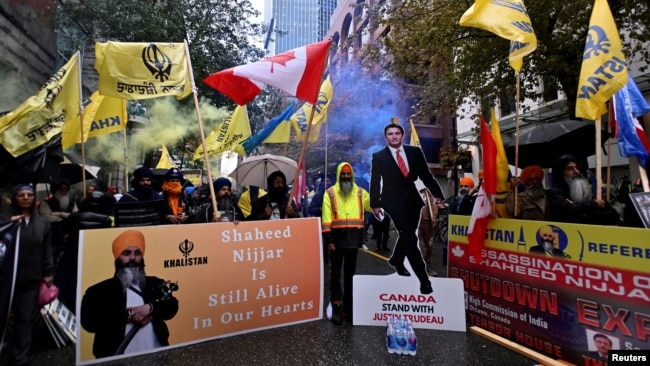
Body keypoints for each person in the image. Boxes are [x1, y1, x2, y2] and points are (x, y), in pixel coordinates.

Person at [370, 122, 444, 295]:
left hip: (413, 201)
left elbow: (426, 174)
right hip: (392, 201)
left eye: (397, 133)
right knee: (410, 237)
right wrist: (375, 204)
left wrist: (437, 193)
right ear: (386, 137)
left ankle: (396, 259)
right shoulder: (379, 156)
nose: (394, 136)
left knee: (406, 234)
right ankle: (424, 281)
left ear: (402, 135)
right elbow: (375, 181)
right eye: (390, 134)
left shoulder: (414, 152)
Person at [80, 230, 179, 358]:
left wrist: (149, 308)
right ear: (117, 257)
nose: (133, 258)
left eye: (137, 253)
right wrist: (130, 315)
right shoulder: (98, 291)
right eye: (126, 253)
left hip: (157, 354)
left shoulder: (154, 283)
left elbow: (172, 306)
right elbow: (89, 323)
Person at [1, 184, 53, 366]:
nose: (25, 198)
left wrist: (48, 272)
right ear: (15, 198)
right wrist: (8, 225)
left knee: (24, 318)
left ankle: (19, 358)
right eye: (21, 195)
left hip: (31, 278)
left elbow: (47, 249)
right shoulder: (5, 219)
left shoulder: (42, 223)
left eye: (29, 195)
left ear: (33, 199)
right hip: (6, 279)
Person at [321, 163, 372, 325]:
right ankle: (336, 305)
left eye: (347, 174)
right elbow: (326, 218)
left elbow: (373, 205)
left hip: (353, 241)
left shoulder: (360, 193)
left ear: (352, 175)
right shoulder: (329, 194)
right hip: (336, 240)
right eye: (342, 174)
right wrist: (328, 240)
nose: (345, 176)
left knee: (350, 275)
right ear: (338, 175)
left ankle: (349, 307)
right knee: (335, 275)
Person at [55, 191, 114, 310]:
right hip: (94, 256)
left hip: (72, 254)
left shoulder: (74, 217)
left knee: (70, 286)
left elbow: (61, 233)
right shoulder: (105, 219)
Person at [547, 155, 619, 225]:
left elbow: (614, 217)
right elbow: (567, 212)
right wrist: (594, 204)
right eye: (569, 169)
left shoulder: (590, 190)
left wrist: (580, 209)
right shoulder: (555, 192)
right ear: (560, 173)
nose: (576, 171)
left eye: (576, 167)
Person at [39, 179, 78, 273]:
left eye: (66, 189)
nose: (64, 192)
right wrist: (67, 217)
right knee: (51, 260)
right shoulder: (46, 203)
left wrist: (60, 214)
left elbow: (76, 216)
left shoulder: (72, 203)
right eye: (61, 189)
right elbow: (47, 218)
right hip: (52, 237)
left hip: (68, 239)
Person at [418, 188, 438, 276]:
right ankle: (413, 263)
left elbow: (433, 206)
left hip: (427, 223)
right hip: (416, 222)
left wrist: (434, 216)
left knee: (429, 244)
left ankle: (427, 263)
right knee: (413, 243)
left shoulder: (428, 193)